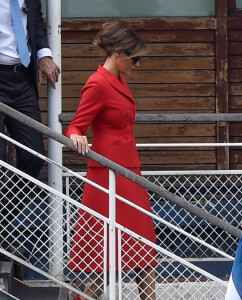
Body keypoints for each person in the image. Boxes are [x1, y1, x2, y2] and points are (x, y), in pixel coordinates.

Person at [65, 21, 157, 300]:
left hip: (130, 172)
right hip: (107, 175)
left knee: (143, 246)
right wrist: (77, 137)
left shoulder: (119, 81)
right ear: (119, 54)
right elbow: (75, 126)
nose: (137, 64)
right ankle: (83, 298)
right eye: (135, 58)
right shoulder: (97, 83)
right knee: (106, 252)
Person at [0, 0, 60, 261]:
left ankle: (0, 221)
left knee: (34, 156)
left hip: (22, 80)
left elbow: (36, 27)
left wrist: (44, 54)